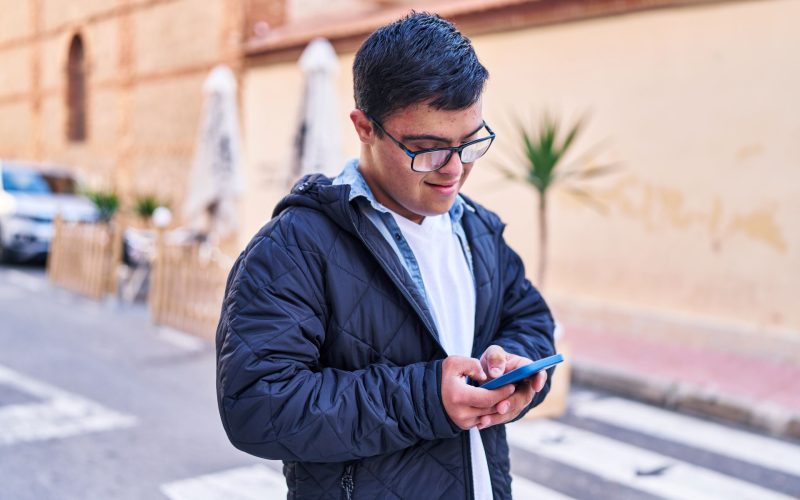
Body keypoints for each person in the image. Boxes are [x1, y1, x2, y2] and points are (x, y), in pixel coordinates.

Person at [216, 12, 556, 500]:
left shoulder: (476, 227)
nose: (454, 169)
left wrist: (519, 373)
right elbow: (255, 407)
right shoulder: (291, 249)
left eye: (471, 142)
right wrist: (426, 397)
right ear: (364, 127)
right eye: (427, 148)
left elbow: (531, 319)